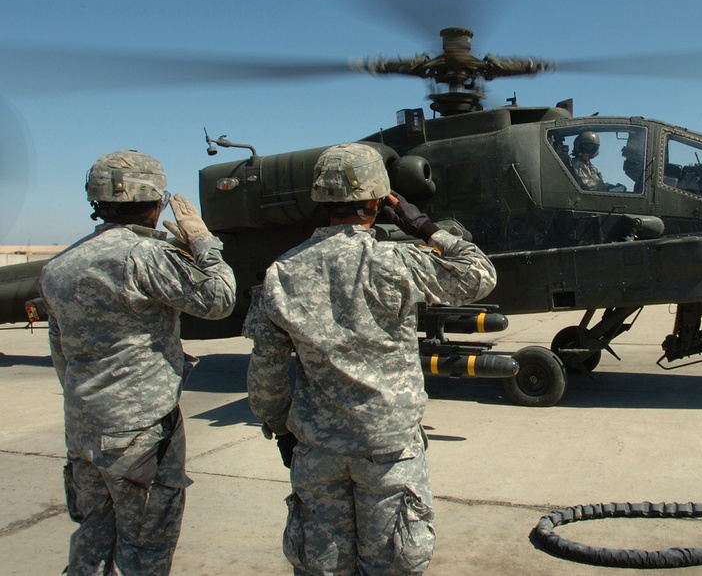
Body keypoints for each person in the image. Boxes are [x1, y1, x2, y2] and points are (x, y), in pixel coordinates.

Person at [245, 143, 497, 575]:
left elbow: (266, 374)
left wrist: (279, 427)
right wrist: (424, 226)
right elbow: (480, 275)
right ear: (380, 202)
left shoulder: (281, 273)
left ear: (321, 199)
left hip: (318, 450)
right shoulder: (394, 260)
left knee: (320, 566)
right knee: (392, 565)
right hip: (388, 451)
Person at [38, 150, 237, 575]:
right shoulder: (144, 256)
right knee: (144, 547)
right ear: (155, 202)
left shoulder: (59, 265)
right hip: (140, 435)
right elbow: (219, 299)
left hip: (83, 430)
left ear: (96, 201)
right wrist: (203, 242)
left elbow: (61, 355)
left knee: (92, 535)